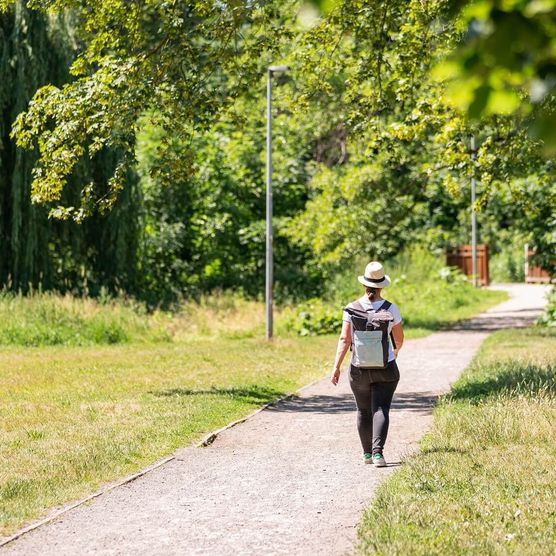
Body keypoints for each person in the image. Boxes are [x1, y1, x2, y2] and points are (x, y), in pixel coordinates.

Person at [331, 261, 404, 466]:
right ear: (382, 285)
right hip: (386, 367)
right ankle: (378, 453)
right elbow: (398, 339)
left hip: (358, 368)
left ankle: (367, 455)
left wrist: (336, 366)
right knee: (380, 408)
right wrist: (393, 354)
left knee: (363, 410)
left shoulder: (351, 308)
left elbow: (345, 339)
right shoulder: (391, 308)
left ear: (364, 283)